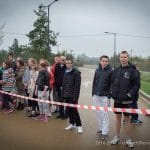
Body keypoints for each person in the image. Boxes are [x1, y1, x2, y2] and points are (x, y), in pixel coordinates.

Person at [111, 51, 140, 148]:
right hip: (117, 100)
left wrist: (129, 94)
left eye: (125, 57)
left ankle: (128, 139)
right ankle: (117, 137)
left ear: (128, 58)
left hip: (127, 100)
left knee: (127, 119)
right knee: (118, 118)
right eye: (121, 57)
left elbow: (137, 85)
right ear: (119, 58)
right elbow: (112, 82)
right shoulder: (116, 70)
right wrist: (112, 92)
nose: (123, 59)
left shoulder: (133, 70)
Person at [92, 55, 113, 139]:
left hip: (105, 97)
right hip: (96, 95)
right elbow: (94, 82)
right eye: (103, 61)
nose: (104, 62)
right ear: (100, 61)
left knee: (104, 114)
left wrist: (109, 95)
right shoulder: (97, 70)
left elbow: (112, 84)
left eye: (106, 61)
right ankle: (101, 129)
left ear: (108, 62)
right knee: (98, 113)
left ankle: (105, 132)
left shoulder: (111, 71)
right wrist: (93, 93)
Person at [62, 58, 83, 134]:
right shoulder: (66, 72)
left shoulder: (76, 73)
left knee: (74, 111)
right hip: (66, 95)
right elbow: (63, 84)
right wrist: (63, 95)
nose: (68, 64)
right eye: (66, 63)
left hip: (73, 96)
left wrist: (75, 98)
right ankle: (72, 124)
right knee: (69, 110)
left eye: (69, 63)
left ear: (72, 63)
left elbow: (77, 87)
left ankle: (79, 125)